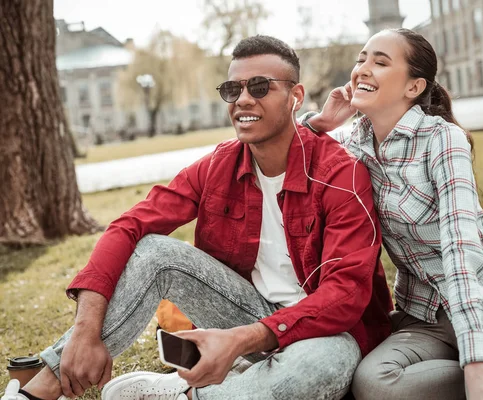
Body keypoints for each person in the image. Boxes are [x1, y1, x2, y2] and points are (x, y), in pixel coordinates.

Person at [1, 35, 392, 400]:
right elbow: (128, 226)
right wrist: (85, 330)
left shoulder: (340, 173)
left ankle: (185, 393)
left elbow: (345, 296)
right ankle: (39, 388)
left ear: (296, 96)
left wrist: (241, 341)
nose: (243, 100)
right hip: (245, 313)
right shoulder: (217, 166)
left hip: (323, 331)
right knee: (154, 252)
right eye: (232, 90)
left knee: (326, 364)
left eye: (259, 87)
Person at [300, 28, 483, 400]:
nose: (362, 69)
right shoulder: (351, 144)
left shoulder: (441, 139)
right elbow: (293, 161)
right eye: (361, 58)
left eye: (380, 62)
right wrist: (321, 123)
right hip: (423, 314)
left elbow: (461, 251)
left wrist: (476, 361)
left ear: (414, 87)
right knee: (372, 384)